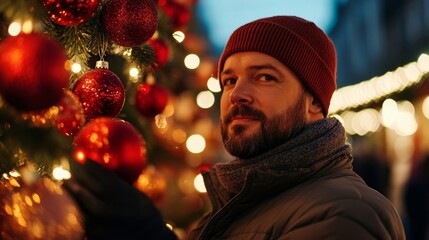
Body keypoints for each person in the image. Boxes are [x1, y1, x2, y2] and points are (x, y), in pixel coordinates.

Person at [64, 15, 406, 239]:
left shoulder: (346, 210)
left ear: (314, 101)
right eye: (229, 80)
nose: (237, 94)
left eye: (265, 77)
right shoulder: (241, 202)